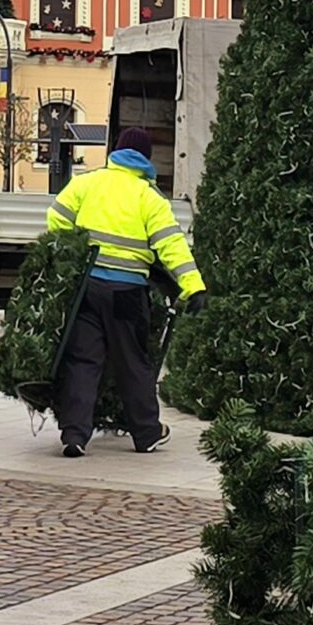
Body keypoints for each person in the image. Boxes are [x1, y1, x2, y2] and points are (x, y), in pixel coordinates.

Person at [46, 124, 205, 457]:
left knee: (83, 361)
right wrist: (194, 287)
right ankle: (146, 434)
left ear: (116, 152)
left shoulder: (87, 183)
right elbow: (171, 244)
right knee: (133, 363)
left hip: (87, 289)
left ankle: (75, 435)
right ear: (145, 159)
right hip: (128, 292)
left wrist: (76, 247)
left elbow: (56, 220)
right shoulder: (150, 198)